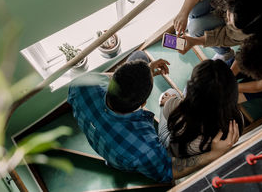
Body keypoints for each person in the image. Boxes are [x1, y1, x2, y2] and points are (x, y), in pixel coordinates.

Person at [68, 51, 239, 183]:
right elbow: (167, 171)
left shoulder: (81, 84)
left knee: (139, 57)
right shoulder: (145, 151)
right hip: (130, 155)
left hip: (109, 150)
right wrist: (213, 154)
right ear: (142, 104)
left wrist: (146, 72)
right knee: (168, 92)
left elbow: (104, 79)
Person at [158, 59, 243, 158]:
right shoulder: (237, 120)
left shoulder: (174, 106)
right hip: (199, 149)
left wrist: (170, 101)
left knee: (170, 92)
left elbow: (173, 117)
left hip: (174, 152)